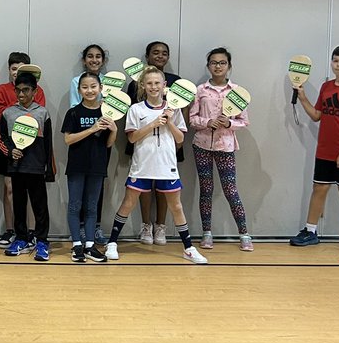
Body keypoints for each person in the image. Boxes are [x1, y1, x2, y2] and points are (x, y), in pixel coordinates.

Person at [99, 66, 207, 264]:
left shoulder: (173, 110)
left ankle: (189, 248)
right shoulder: (135, 109)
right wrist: (152, 124)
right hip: (142, 165)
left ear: (165, 86)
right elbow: (132, 138)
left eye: (157, 83)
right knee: (128, 203)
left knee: (176, 206)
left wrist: (169, 121)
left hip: (167, 166)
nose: (153, 86)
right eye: (149, 83)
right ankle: (112, 243)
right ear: (143, 85)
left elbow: (180, 139)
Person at [289, 44, 339, 261]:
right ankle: (310, 231)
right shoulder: (326, 87)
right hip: (325, 151)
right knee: (319, 189)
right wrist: (303, 96)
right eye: (336, 60)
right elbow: (317, 115)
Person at [188, 48, 253, 252]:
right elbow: (192, 119)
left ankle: (244, 234)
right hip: (202, 145)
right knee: (206, 190)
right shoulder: (200, 90)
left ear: (229, 66)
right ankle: (207, 233)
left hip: (225, 146)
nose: (218, 66)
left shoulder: (236, 91)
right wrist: (208, 122)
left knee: (230, 190)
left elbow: (244, 121)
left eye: (222, 62)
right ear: (208, 66)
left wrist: (228, 124)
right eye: (214, 63)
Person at [126, 40, 182, 245]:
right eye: (155, 52)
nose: (160, 56)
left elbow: (180, 112)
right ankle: (145, 226)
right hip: (143, 141)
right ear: (147, 56)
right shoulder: (134, 83)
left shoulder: (176, 81)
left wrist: (177, 140)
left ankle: (161, 226)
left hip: (169, 142)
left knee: (164, 187)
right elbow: (131, 113)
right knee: (144, 186)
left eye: (164, 53)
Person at [0, 70, 55, 261]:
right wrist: (11, 149)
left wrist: (49, 169)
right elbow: (2, 138)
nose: (21, 95)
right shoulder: (8, 113)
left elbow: (48, 143)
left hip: (37, 167)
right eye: (18, 91)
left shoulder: (43, 113)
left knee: (40, 206)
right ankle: (21, 238)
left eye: (26, 90)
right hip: (16, 167)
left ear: (35, 90)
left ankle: (42, 241)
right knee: (19, 204)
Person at [62, 71, 116, 263]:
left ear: (101, 88)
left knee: (92, 208)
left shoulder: (107, 112)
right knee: (75, 206)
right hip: (77, 166)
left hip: (98, 166)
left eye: (93, 86)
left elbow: (109, 144)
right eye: (85, 87)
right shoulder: (74, 112)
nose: (90, 90)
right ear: (79, 90)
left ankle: (90, 246)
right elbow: (68, 139)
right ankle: (77, 245)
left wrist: (114, 130)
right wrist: (92, 129)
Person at [0, 51, 45, 247]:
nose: (16, 73)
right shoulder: (2, 90)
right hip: (9, 145)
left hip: (32, 150)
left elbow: (38, 117)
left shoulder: (37, 93)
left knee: (30, 191)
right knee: (9, 188)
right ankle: (10, 230)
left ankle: (30, 232)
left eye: (21, 70)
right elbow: (0, 115)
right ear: (9, 69)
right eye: (14, 69)